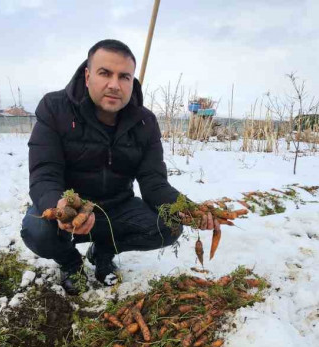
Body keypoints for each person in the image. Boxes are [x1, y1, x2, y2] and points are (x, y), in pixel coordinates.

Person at [21, 39, 216, 295]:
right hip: (71, 209)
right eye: (105, 73)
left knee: (169, 226)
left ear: (132, 81)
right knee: (37, 230)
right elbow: (44, 173)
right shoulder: (55, 108)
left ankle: (103, 253)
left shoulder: (145, 122)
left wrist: (186, 208)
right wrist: (61, 207)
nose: (114, 85)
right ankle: (71, 263)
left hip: (117, 208)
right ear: (88, 75)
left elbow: (153, 182)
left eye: (124, 76)